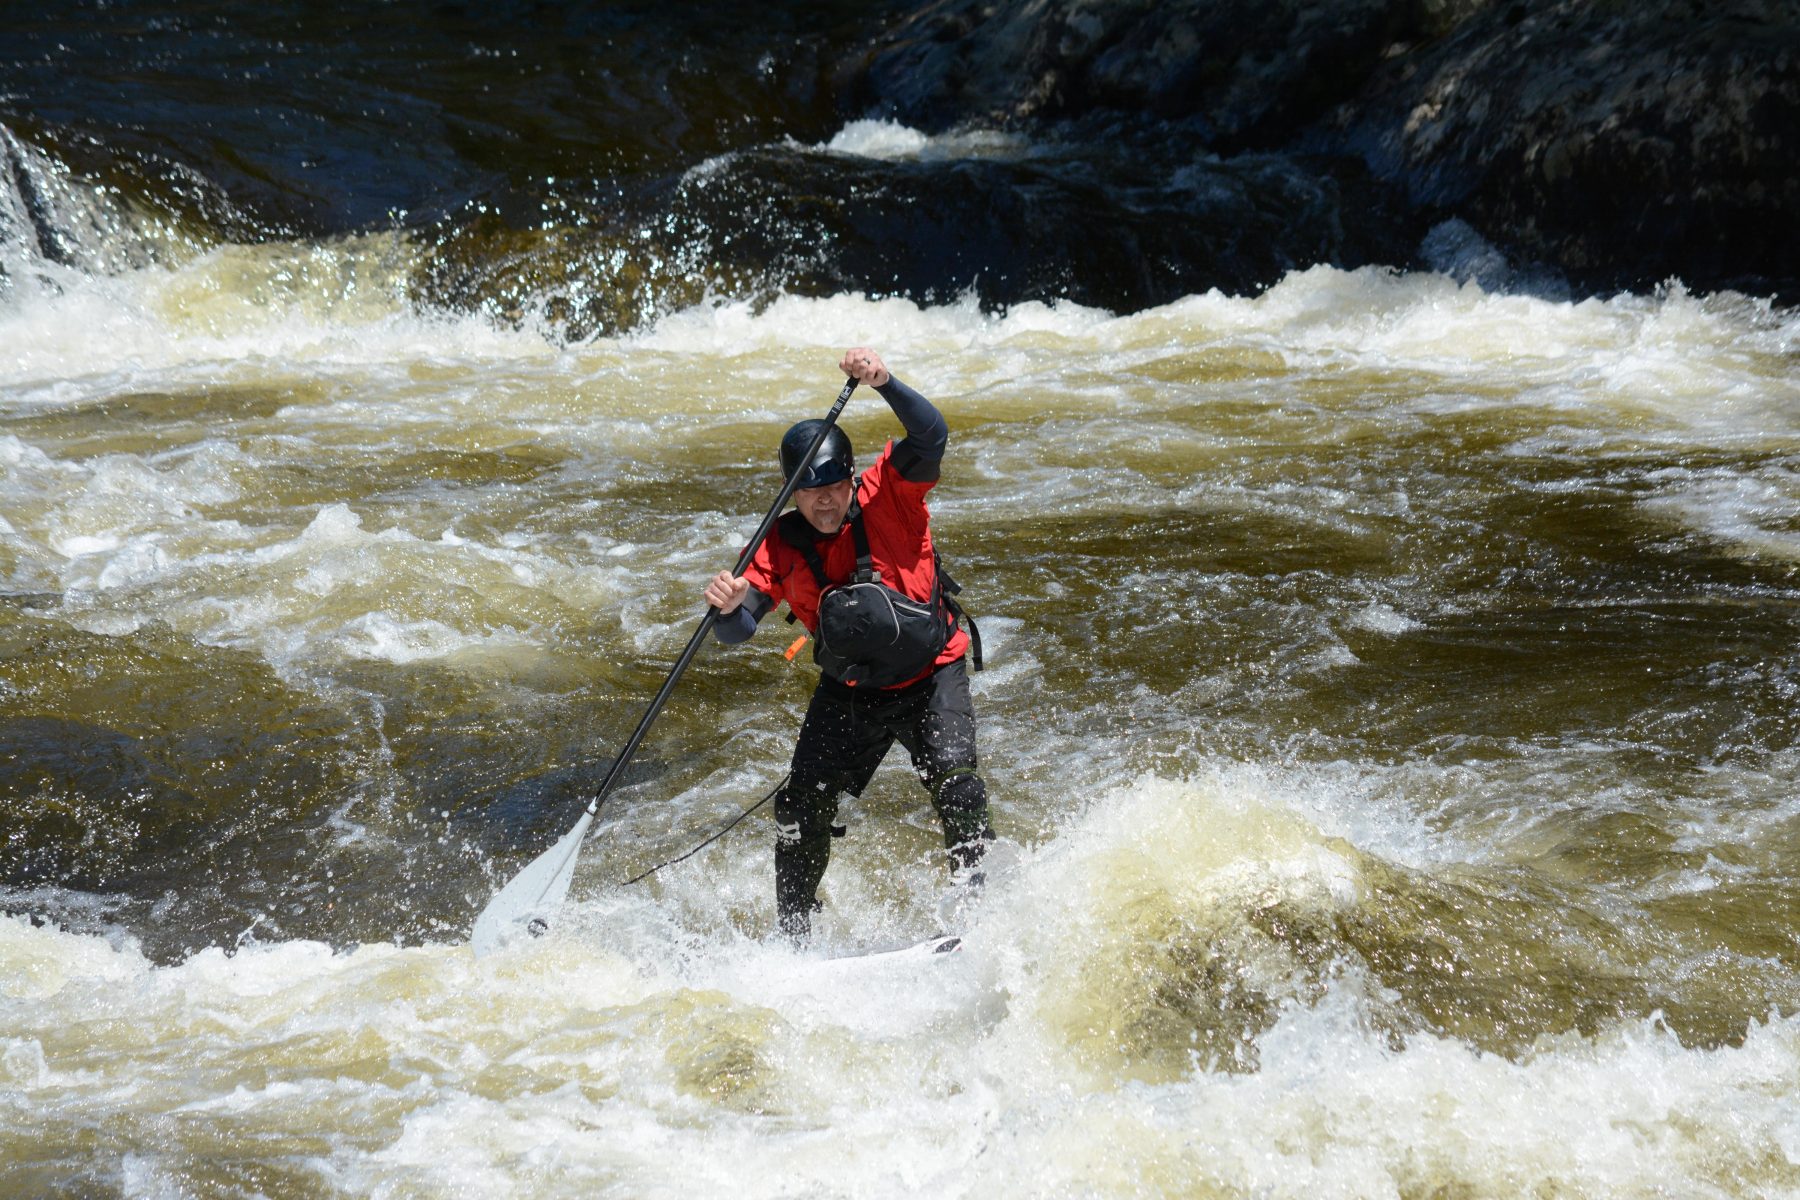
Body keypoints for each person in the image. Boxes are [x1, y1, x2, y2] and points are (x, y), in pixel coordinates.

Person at [704, 347, 993, 940]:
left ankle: (982, 916)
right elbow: (739, 629)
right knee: (798, 810)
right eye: (811, 492)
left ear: (849, 476)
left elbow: (931, 433)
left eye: (834, 485)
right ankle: (795, 939)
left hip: (931, 674)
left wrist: (885, 383)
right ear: (791, 493)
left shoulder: (890, 492)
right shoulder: (777, 544)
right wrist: (726, 610)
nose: (826, 501)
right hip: (851, 690)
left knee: (958, 784)